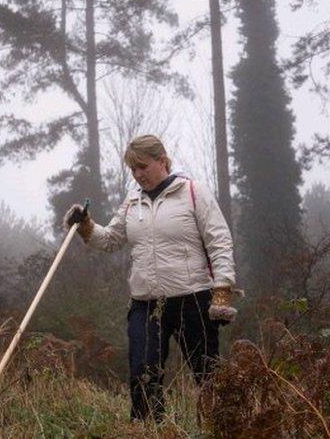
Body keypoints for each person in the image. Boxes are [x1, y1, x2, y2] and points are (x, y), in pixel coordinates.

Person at [63, 134, 237, 422]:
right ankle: (147, 429)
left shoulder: (194, 192)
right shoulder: (132, 202)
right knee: (143, 375)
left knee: (208, 376)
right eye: (133, 169)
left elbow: (220, 243)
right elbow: (109, 240)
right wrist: (85, 225)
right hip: (145, 304)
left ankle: (224, 426)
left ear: (163, 161)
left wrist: (222, 291)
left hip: (192, 300)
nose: (138, 174)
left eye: (143, 166)